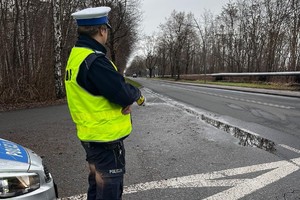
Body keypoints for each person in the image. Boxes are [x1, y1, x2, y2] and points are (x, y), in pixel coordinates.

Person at [65, 6, 145, 200]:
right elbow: (122, 92)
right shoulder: (95, 61)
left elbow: (104, 91)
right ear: (102, 30)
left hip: (91, 136)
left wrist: (121, 97)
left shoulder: (77, 57)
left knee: (96, 188)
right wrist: (135, 95)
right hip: (105, 141)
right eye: (106, 29)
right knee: (108, 192)